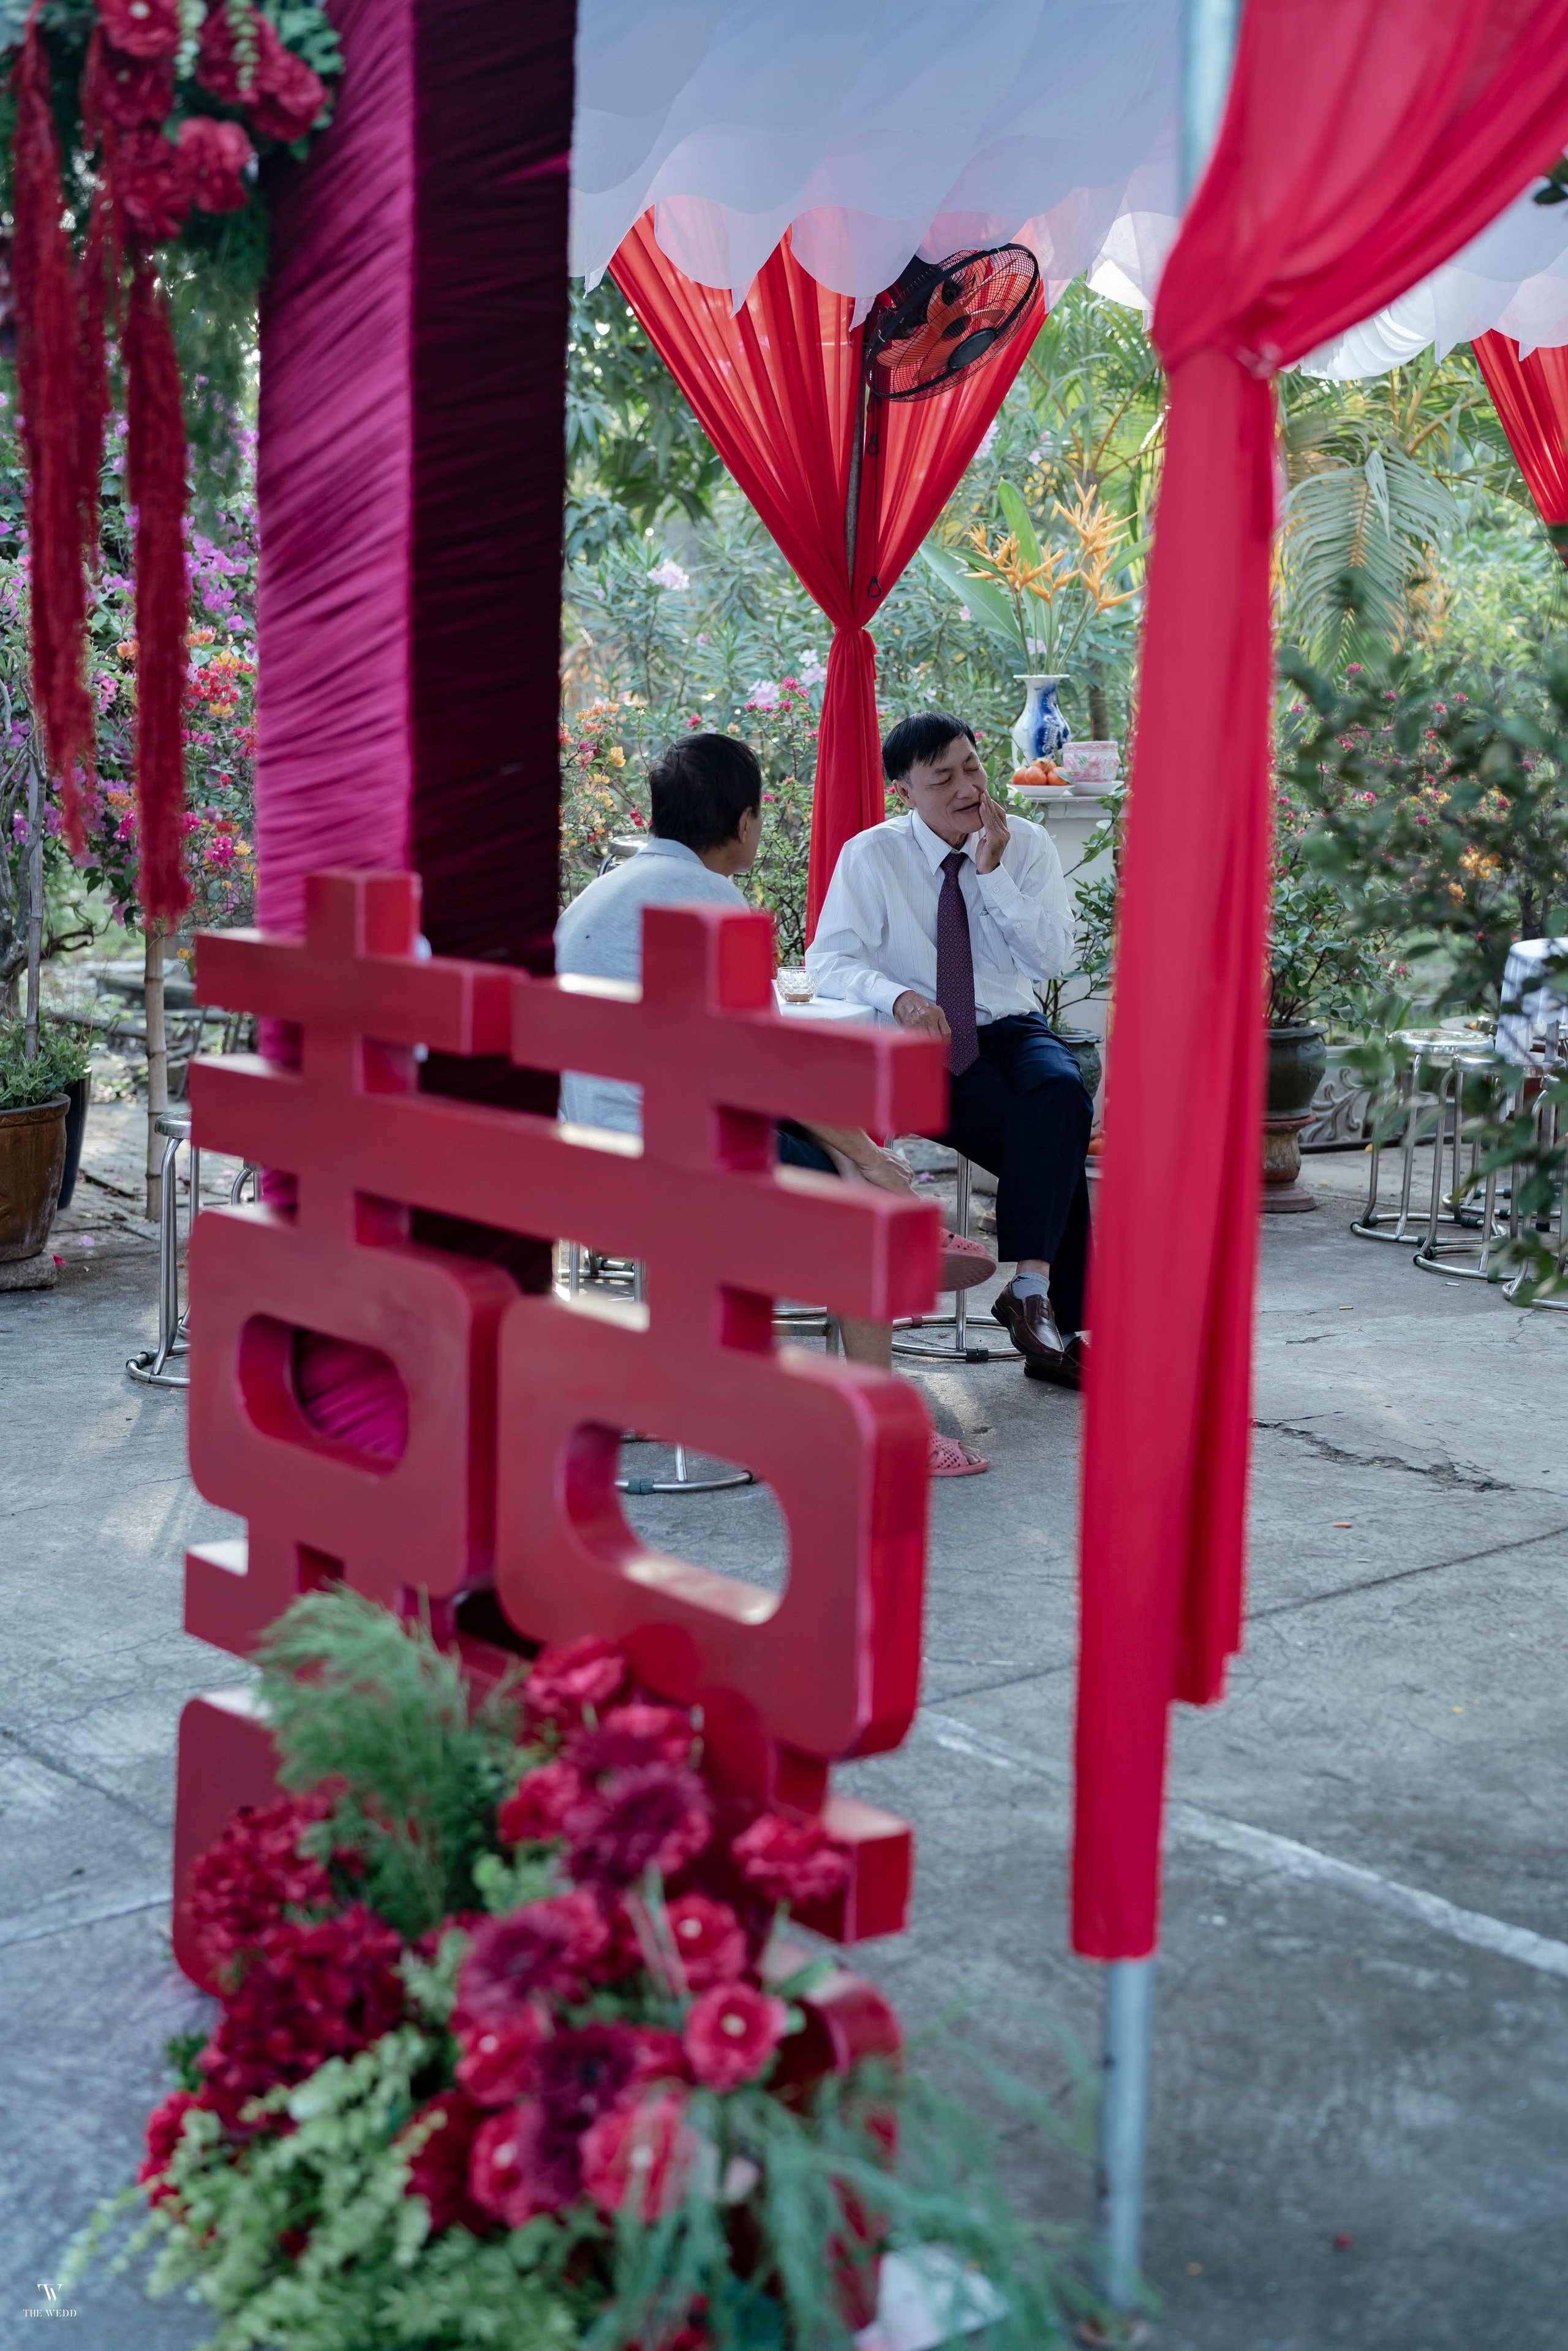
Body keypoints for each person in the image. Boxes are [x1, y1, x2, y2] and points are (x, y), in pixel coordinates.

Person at [554, 731, 993, 1473]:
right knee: (865, 1211)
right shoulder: (710, 901)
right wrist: (865, 1158)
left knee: (823, 1139)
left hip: (589, 1168)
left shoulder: (597, 897)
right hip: (681, 1172)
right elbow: (767, 1064)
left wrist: (849, 1146)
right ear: (748, 821)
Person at [805, 709, 1091, 1391]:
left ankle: (1028, 1289)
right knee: (1050, 1142)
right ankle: (1064, 1333)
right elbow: (828, 962)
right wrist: (897, 996)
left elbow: (1052, 958)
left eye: (972, 767)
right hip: (923, 1041)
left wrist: (991, 873)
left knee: (1060, 1091)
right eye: (943, 779)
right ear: (903, 791)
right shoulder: (871, 855)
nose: (967, 788)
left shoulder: (1022, 844)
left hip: (1011, 1024)